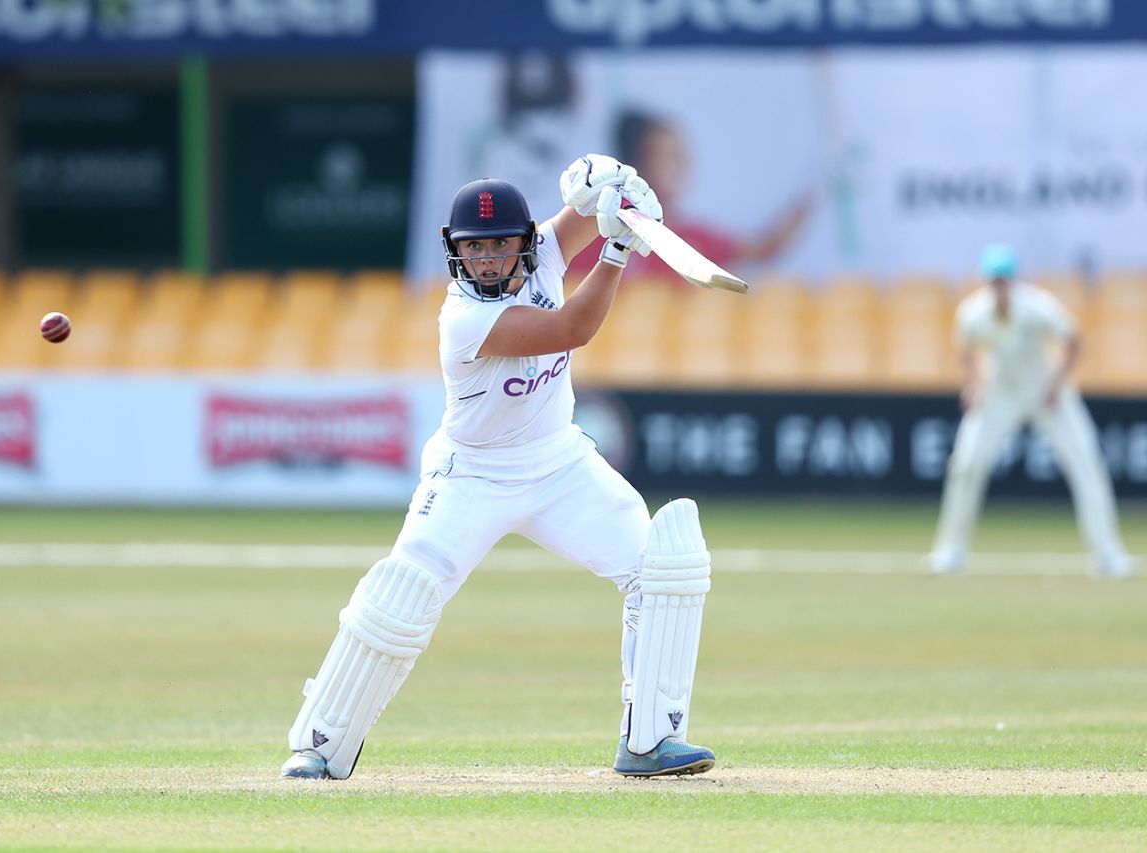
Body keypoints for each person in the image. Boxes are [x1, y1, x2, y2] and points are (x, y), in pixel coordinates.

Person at [280, 154, 717, 780]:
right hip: (471, 476)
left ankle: (651, 739)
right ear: (455, 251)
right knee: (402, 593)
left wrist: (612, 188)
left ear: (524, 243)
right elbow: (571, 326)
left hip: (560, 463)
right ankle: (320, 745)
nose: (487, 259)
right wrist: (618, 252)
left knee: (662, 566)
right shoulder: (464, 319)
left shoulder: (541, 252)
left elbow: (583, 217)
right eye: (474, 247)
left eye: (501, 245)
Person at [928, 244, 1134, 579]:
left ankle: (1108, 554)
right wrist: (972, 384)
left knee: (1086, 460)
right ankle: (950, 551)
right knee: (966, 464)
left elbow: (1075, 339)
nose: (999, 287)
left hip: (1046, 392)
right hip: (1000, 394)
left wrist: (1056, 384)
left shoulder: (1037, 307)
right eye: (994, 281)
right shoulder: (973, 312)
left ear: (1013, 280)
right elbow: (965, 347)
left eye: (1004, 280)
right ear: (985, 282)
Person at [566, 109, 812, 288]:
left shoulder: (694, 237)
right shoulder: (592, 236)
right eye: (668, 156)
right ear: (636, 163)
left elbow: (762, 250)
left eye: (682, 154)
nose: (682, 164)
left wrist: (809, 197)